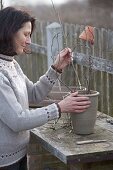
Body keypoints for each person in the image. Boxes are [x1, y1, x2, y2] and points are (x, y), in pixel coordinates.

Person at [0, 6, 91, 170]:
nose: (29, 41)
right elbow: (17, 120)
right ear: (8, 32)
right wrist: (59, 108)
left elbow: (34, 95)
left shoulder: (11, 64)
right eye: (25, 34)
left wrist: (56, 68)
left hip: (19, 154)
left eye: (30, 35)